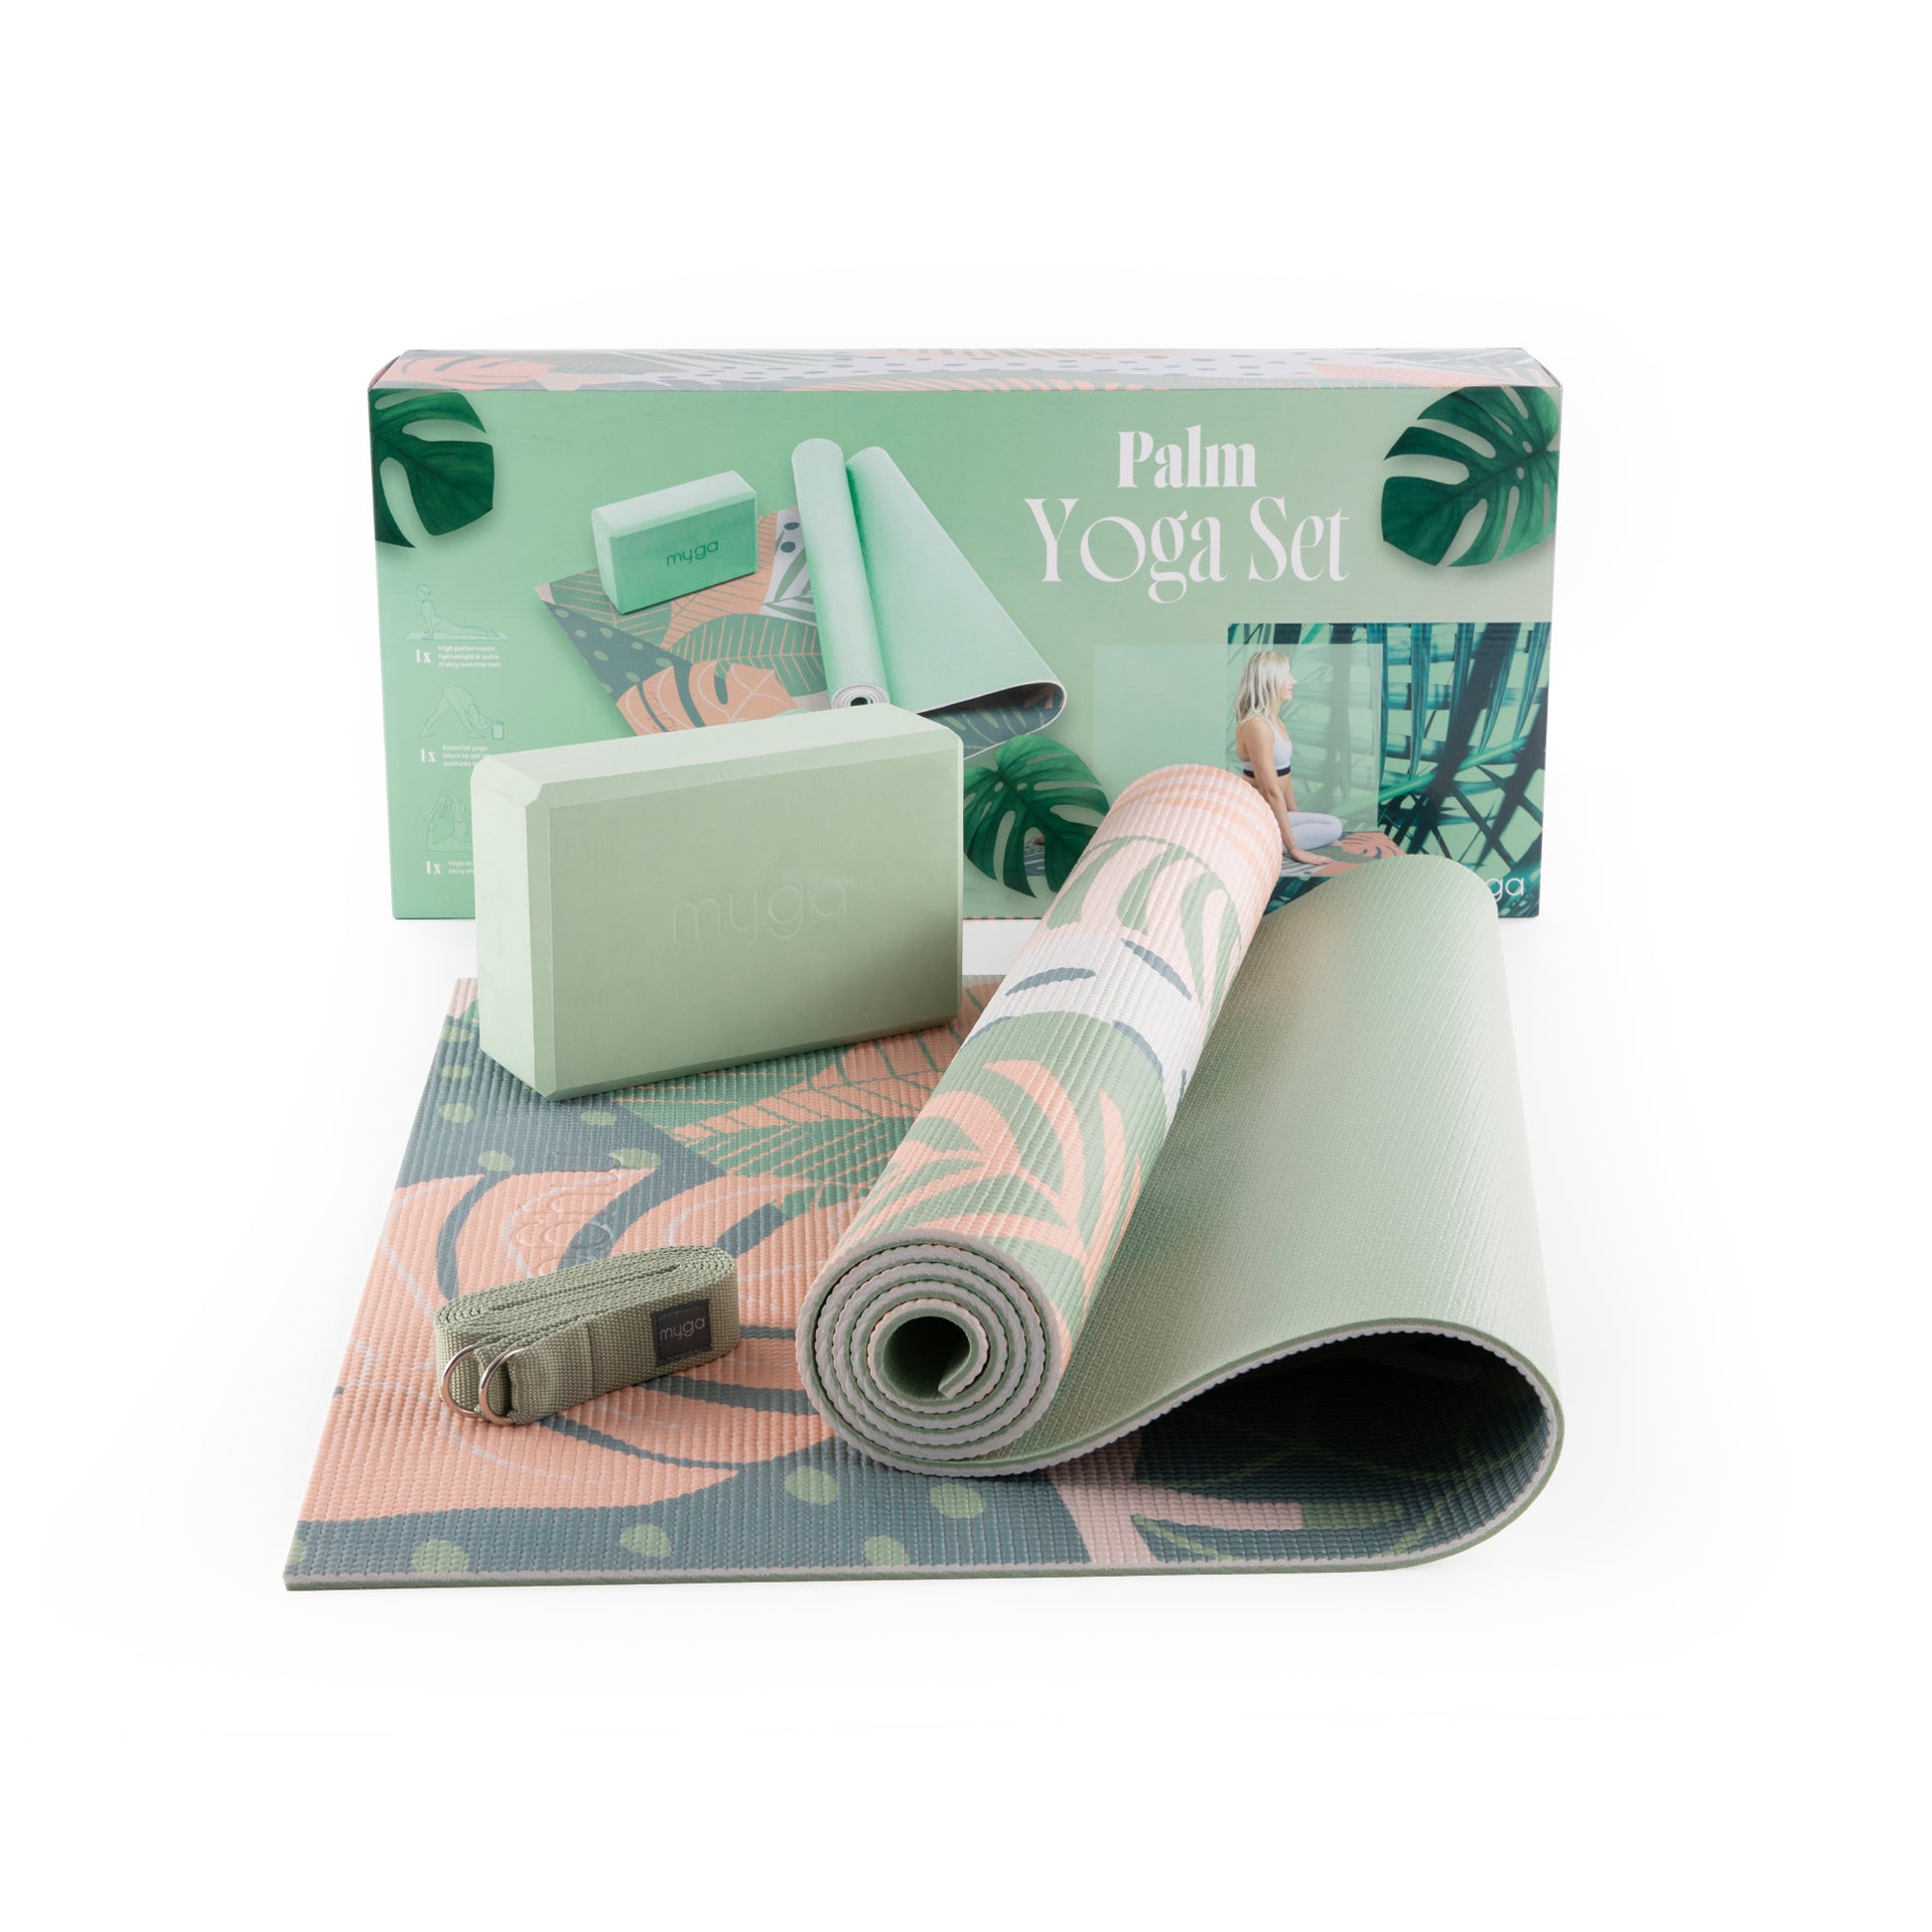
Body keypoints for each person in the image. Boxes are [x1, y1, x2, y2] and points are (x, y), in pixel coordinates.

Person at [1233, 650, 1343, 867]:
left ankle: (1277, 840)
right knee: (1332, 829)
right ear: (1271, 680)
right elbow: (1270, 791)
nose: (1294, 681)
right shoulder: (1257, 727)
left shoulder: (1275, 722)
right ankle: (1264, 845)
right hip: (1257, 815)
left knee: (1332, 825)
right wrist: (1295, 849)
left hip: (1273, 813)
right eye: (1287, 675)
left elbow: (1285, 774)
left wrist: (1296, 816)